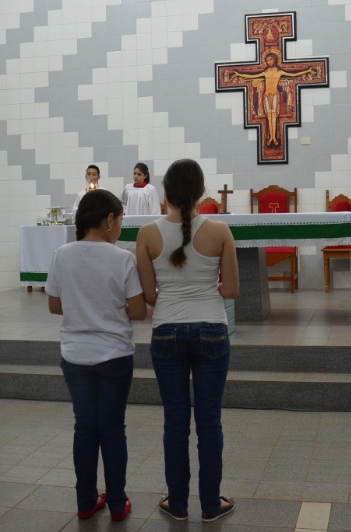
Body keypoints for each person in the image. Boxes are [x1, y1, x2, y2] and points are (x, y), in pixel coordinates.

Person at [135, 159, 240, 523]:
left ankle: (177, 502)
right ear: (201, 192)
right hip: (211, 327)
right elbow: (232, 289)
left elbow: (149, 296)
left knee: (175, 421)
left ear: (165, 192)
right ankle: (211, 504)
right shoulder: (220, 231)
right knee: (209, 421)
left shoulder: (147, 234)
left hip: (166, 331)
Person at [47, 189, 147, 522]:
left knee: (85, 427)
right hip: (114, 355)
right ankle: (117, 503)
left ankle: (86, 501)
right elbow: (137, 311)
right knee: (113, 429)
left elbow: (54, 305)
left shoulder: (62, 254)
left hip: (75, 355)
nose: (120, 227)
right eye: (119, 220)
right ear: (108, 220)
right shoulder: (122, 258)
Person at [231, 53, 314, 146]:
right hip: (266, 96)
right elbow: (252, 76)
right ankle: (271, 137)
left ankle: (273, 137)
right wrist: (239, 74)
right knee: (269, 117)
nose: (269, 62)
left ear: (274, 60)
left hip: (275, 95)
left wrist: (306, 71)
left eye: (271, 60)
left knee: (274, 117)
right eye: (267, 60)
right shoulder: (265, 72)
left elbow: (294, 74)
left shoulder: (279, 71)